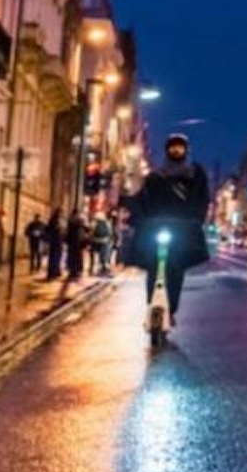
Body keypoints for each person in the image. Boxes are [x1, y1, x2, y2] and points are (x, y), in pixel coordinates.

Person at [121, 134, 212, 330]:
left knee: (175, 269)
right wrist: (129, 206)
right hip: (157, 228)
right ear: (167, 150)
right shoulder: (155, 176)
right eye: (173, 148)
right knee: (153, 268)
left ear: (186, 150)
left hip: (183, 229)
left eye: (180, 148)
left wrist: (196, 219)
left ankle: (170, 310)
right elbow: (143, 198)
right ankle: (151, 306)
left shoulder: (195, 174)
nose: (176, 152)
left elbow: (202, 199)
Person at [65, 209, 89, 281]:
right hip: (78, 242)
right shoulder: (81, 220)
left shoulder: (71, 220)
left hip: (72, 242)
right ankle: (77, 271)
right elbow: (87, 229)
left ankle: (72, 272)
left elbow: (68, 231)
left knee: (72, 257)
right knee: (78, 257)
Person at [91, 210, 114, 277]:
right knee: (104, 256)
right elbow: (110, 232)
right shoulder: (107, 223)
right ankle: (103, 270)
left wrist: (91, 239)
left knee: (95, 256)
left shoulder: (94, 223)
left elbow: (91, 232)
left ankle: (94, 269)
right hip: (105, 241)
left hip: (95, 241)